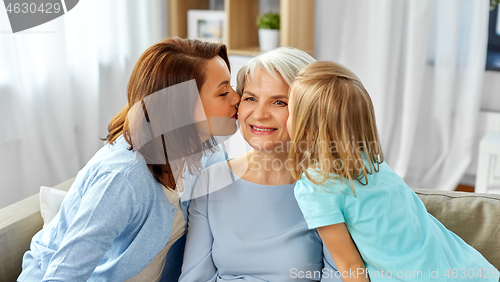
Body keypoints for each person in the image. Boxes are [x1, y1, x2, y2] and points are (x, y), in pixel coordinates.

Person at [18, 37, 240, 281]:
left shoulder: (206, 152)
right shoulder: (123, 179)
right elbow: (63, 275)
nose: (237, 98)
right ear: (182, 107)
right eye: (223, 92)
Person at [287, 61, 499, 281]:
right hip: (473, 269)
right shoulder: (372, 161)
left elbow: (350, 266)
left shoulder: (315, 187)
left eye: (290, 111)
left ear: (306, 128)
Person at [180, 48, 342, 282]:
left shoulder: (329, 185)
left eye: (279, 102)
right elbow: (194, 277)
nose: (259, 114)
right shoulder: (211, 179)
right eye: (251, 98)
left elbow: (341, 275)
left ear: (310, 110)